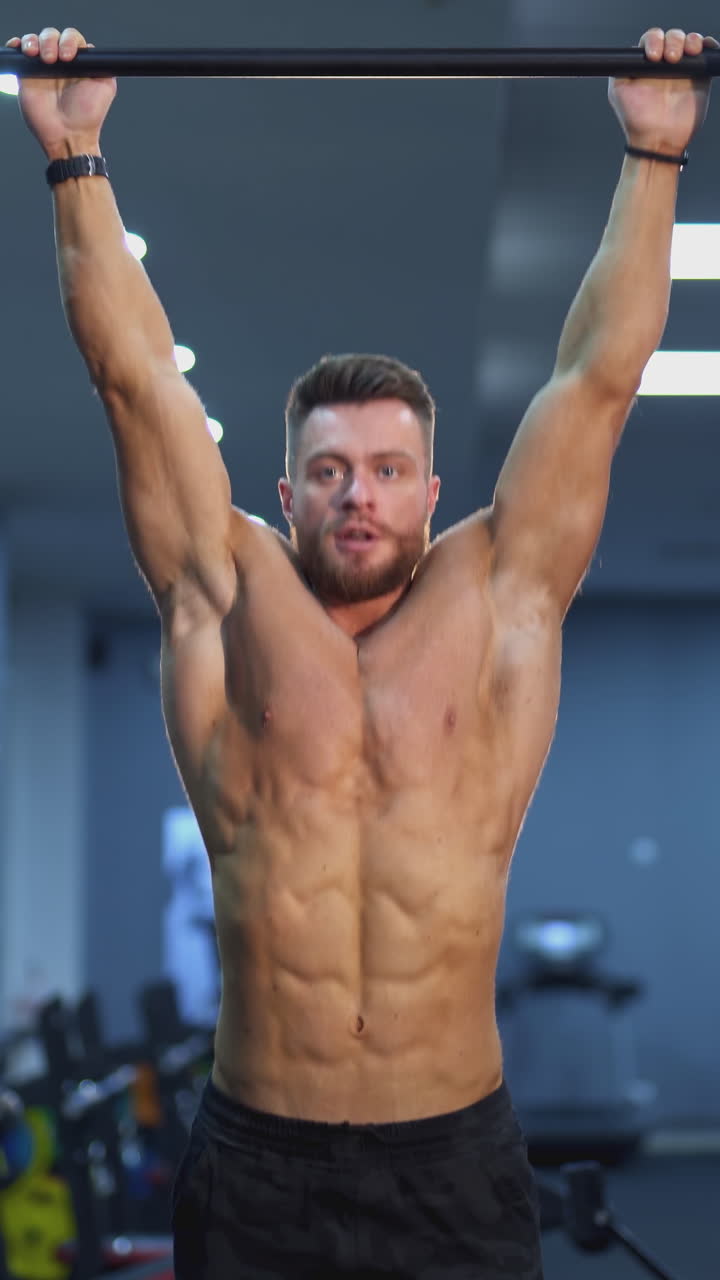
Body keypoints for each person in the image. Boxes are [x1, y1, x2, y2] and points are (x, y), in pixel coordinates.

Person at [7, 23, 714, 1279]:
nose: (358, 496)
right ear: (284, 496)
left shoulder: (500, 597)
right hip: (259, 1160)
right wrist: (76, 155)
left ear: (433, 490)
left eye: (388, 470)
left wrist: (652, 155)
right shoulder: (224, 596)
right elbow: (132, 383)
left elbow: (599, 378)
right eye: (327, 471)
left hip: (454, 1162)